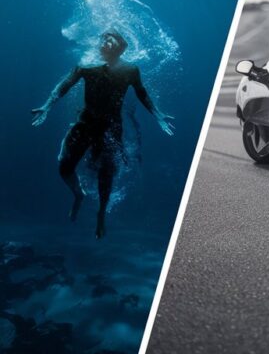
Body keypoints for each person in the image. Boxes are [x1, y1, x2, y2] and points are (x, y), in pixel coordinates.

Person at [31, 30, 174, 239]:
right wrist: (46, 106)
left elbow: (142, 93)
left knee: (105, 173)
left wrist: (158, 115)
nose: (104, 43)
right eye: (103, 40)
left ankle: (101, 214)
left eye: (110, 41)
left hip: (110, 129)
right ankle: (78, 194)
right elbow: (65, 85)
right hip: (85, 123)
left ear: (120, 47)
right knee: (64, 167)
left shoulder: (130, 70)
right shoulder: (86, 66)